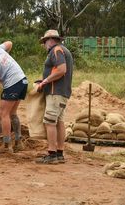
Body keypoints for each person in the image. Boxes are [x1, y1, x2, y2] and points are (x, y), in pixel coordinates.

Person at [35, 29, 73, 164]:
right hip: (61, 92)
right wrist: (44, 80)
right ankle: (59, 153)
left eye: (45, 41)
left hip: (55, 93)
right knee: (59, 122)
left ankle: (52, 154)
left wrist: (45, 81)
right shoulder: (63, 49)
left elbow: (61, 70)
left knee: (49, 122)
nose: (44, 44)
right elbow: (57, 71)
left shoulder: (56, 50)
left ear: (50, 40)